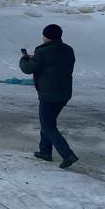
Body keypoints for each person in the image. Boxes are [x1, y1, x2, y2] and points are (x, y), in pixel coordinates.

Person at [20, 24, 78, 169]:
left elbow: (28, 69)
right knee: (48, 122)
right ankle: (45, 151)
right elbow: (54, 63)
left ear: (46, 36)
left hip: (49, 94)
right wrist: (36, 58)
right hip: (64, 93)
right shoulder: (68, 49)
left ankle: (68, 154)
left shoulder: (43, 52)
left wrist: (24, 59)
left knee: (48, 125)